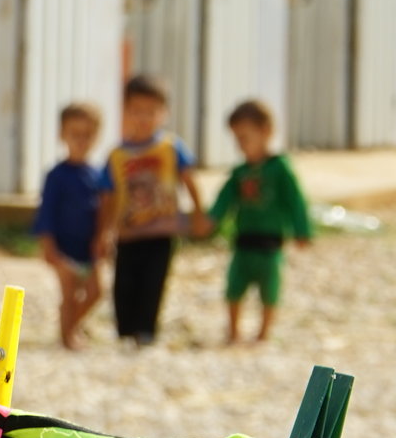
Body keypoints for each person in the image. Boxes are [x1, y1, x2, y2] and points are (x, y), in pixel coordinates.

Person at [92, 75, 208, 346]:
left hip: (161, 231)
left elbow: (189, 180)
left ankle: (146, 331)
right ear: (125, 112)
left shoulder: (170, 148)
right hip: (127, 233)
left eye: (151, 111)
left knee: (153, 283)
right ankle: (124, 332)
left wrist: (199, 213)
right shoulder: (117, 155)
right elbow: (107, 198)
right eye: (136, 111)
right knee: (124, 283)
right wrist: (103, 233)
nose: (143, 118)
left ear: (163, 113)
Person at [209, 99, 313, 347]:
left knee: (270, 290)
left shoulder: (280, 169)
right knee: (234, 286)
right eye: (237, 138)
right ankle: (233, 332)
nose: (240, 145)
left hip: (270, 244)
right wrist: (210, 221)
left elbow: (295, 201)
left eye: (245, 137)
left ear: (265, 131)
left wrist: (302, 230)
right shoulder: (240, 173)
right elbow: (224, 200)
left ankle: (263, 334)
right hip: (243, 242)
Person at [31, 102, 106, 350]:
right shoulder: (57, 176)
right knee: (69, 294)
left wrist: (104, 238)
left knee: (96, 292)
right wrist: (48, 247)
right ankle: (67, 338)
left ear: (96, 137)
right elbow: (46, 213)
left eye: (87, 135)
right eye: (75, 134)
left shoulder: (97, 175)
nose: (81, 140)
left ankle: (72, 326)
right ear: (62, 134)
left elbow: (103, 213)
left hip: (89, 248)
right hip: (63, 248)